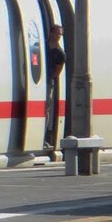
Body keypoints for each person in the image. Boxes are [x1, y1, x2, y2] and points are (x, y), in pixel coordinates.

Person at [43, 24, 65, 158]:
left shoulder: (60, 53)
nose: (58, 36)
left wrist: (49, 78)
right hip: (38, 81)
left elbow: (58, 70)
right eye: (57, 33)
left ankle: (44, 136)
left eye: (60, 34)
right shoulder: (41, 46)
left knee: (45, 110)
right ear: (51, 33)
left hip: (47, 83)